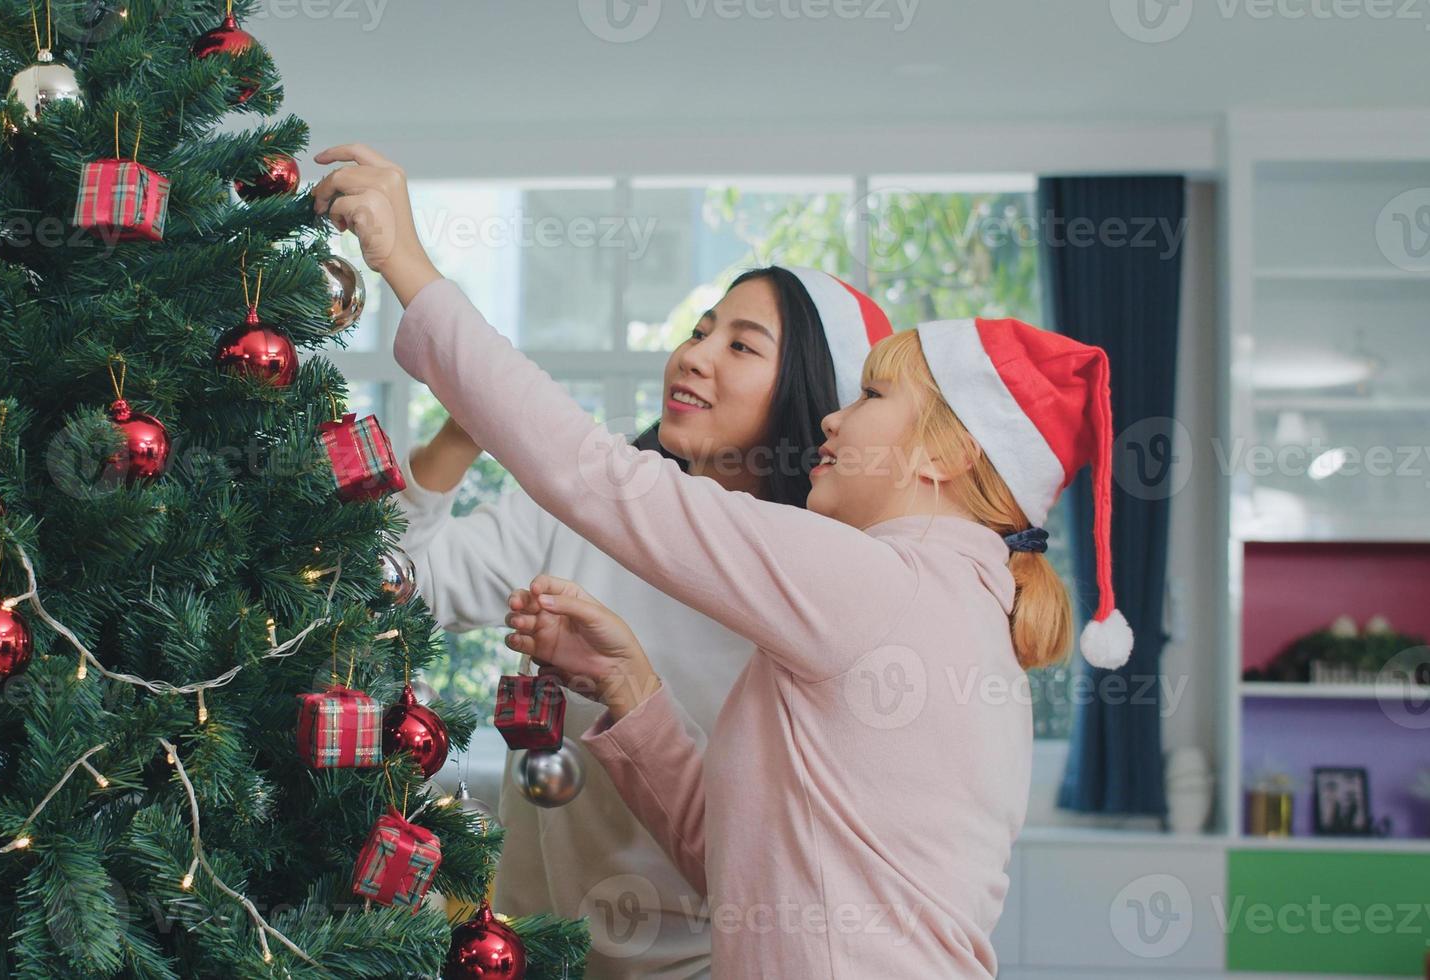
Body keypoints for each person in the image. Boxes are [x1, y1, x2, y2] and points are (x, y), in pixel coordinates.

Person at [312, 142, 1133, 976]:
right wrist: (630, 688)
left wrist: (407, 264)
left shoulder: (878, 583)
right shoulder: (940, 596)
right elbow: (735, 860)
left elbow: (594, 474)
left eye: (877, 398)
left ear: (942, 457)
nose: (838, 423)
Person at [396, 262, 890, 979]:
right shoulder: (589, 501)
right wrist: (456, 438)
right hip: (525, 959)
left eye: (741, 347)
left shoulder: (815, 586)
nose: (694, 354)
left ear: (808, 398)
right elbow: (397, 586)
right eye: (699, 330)